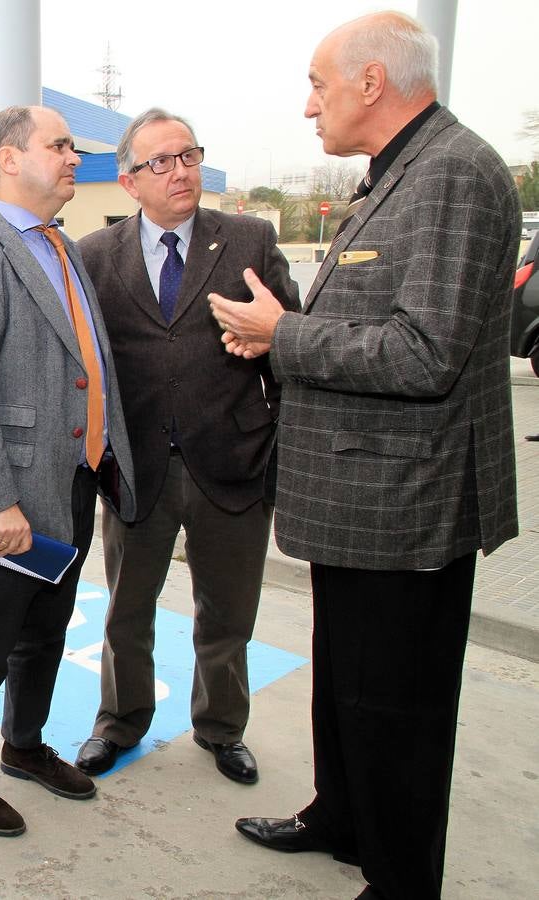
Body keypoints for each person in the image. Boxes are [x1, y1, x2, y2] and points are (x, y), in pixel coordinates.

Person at [209, 12, 519, 900]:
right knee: (347, 687)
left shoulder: (453, 174)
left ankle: (396, 879)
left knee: (397, 712)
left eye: (318, 84)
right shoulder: (397, 175)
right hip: (361, 498)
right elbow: (371, 321)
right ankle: (340, 817)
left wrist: (286, 336)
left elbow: (427, 353)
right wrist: (277, 336)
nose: (309, 107)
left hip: (407, 506)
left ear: (372, 82)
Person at [0, 104, 136, 837]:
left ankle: (22, 746)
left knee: (45, 631)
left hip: (70, 482)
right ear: (9, 159)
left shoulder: (63, 247)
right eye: (59, 145)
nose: (74, 157)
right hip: (7, 500)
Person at [74, 109, 300, 784]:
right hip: (136, 472)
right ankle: (119, 722)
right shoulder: (93, 255)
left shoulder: (249, 241)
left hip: (232, 464)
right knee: (126, 611)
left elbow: (288, 348)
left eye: (188, 156)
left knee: (227, 613)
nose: (180, 172)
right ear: (128, 181)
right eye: (160, 163)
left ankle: (221, 728)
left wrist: (279, 451)